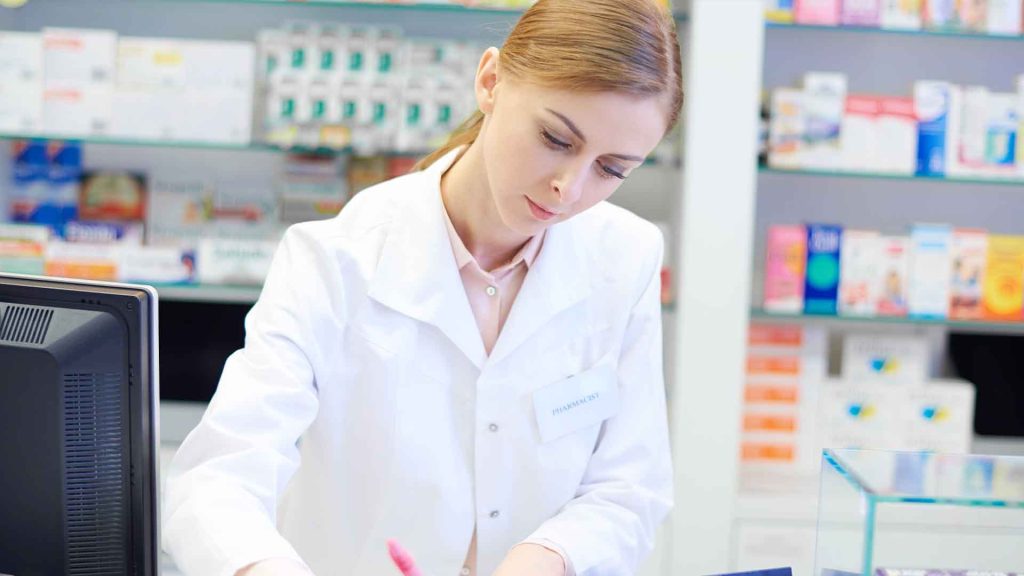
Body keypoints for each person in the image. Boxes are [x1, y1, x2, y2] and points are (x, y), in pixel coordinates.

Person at [162, 0, 684, 574]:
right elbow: (217, 480)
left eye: (611, 169)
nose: (569, 188)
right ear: (490, 81)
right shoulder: (335, 260)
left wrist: (546, 557)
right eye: (555, 139)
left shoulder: (625, 258)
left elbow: (630, 488)